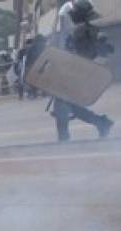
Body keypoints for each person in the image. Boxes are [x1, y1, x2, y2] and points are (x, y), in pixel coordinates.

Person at [54, 0, 114, 141]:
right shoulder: (91, 29)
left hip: (78, 71)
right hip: (81, 71)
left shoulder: (81, 31)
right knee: (68, 105)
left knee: (62, 104)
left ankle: (65, 137)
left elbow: (75, 53)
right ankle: (101, 123)